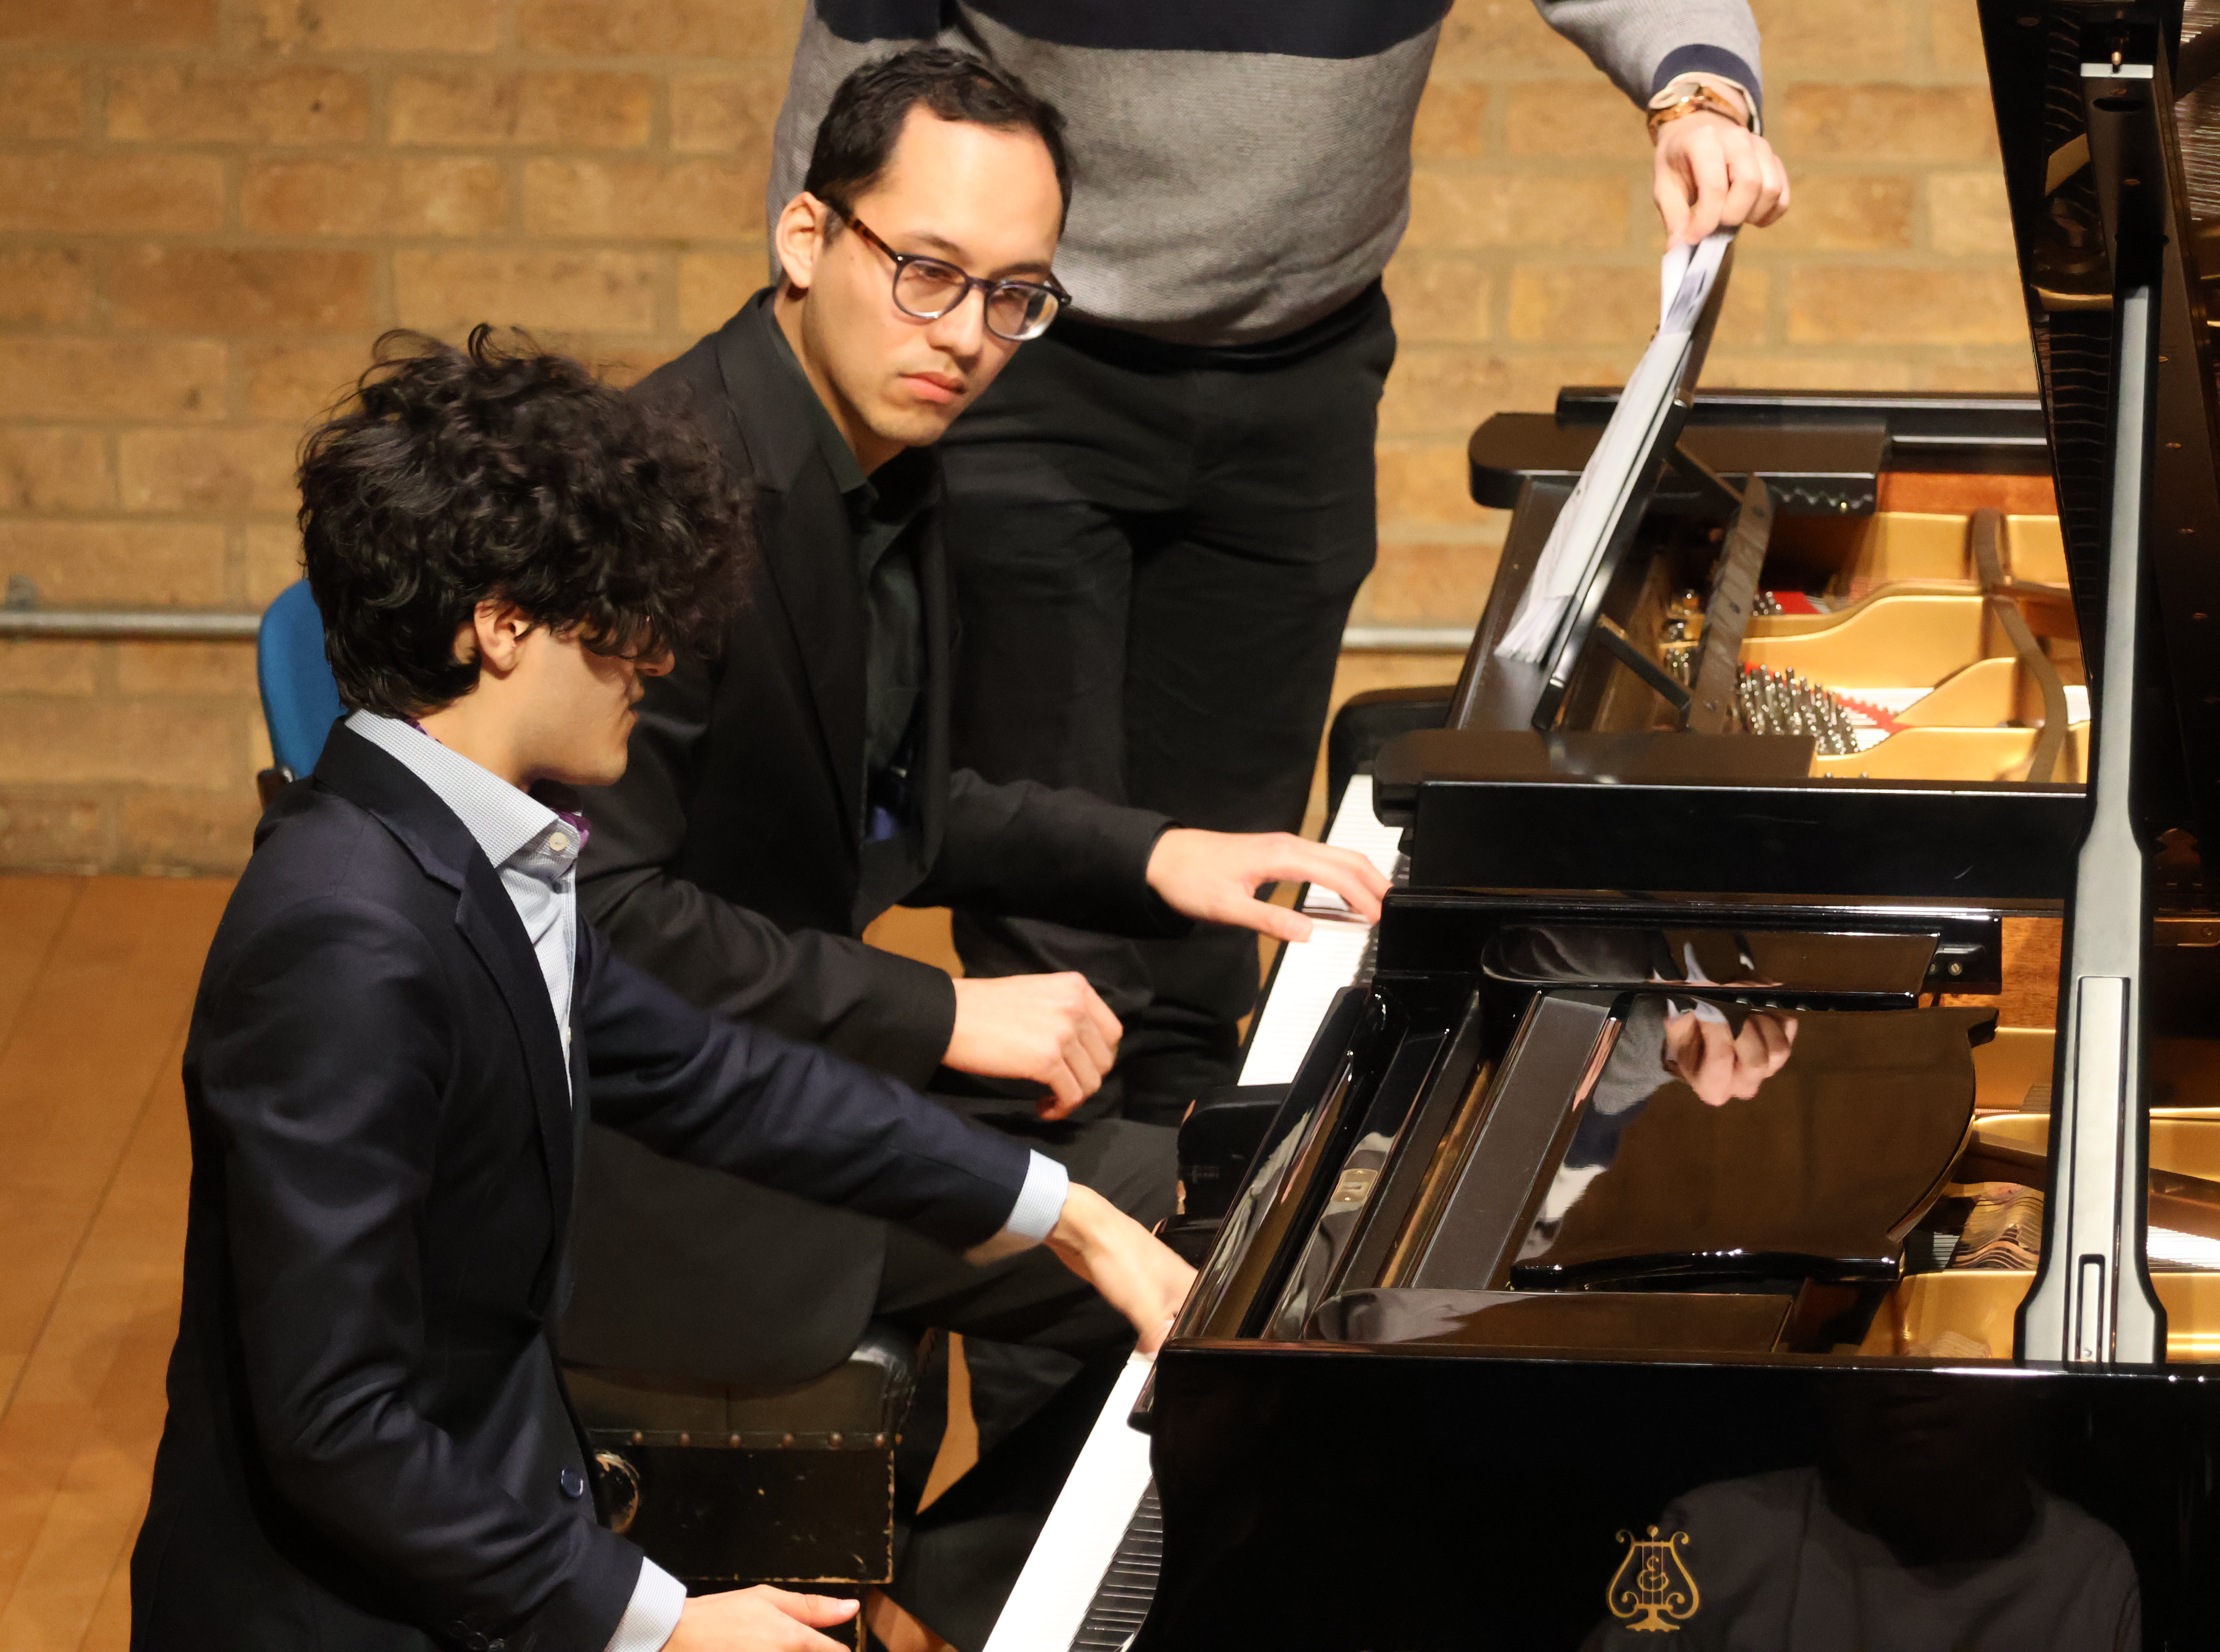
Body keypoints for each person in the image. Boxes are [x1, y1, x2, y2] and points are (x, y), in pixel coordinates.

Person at [128, 328, 1193, 1652]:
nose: (656, 656)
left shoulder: (480, 845)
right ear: (502, 624)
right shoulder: (344, 939)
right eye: (619, 619)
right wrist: (665, 1622)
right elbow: (336, 1425)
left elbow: (720, 1080)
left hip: (489, 1530)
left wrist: (1066, 1215)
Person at [565, 48, 1389, 1650]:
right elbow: (605, 924)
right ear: (807, 236)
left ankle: (960, 1597)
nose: (966, 337)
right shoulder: (663, 495)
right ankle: (983, 1608)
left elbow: (904, 806)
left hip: (789, 1079)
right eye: (929, 273)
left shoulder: (886, 460)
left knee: (1266, 1215)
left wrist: (1166, 856)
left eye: (1015, 298)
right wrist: (943, 1017)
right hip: (660, 1156)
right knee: (1230, 1257)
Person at [765, 2, 1793, 1120]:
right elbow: (853, 77)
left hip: (1303, 359)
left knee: (1230, 871)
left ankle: (1185, 1193)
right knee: (1044, 847)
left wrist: (1701, 95)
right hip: (1028, 345)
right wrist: (810, 377)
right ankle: (1051, 1202)